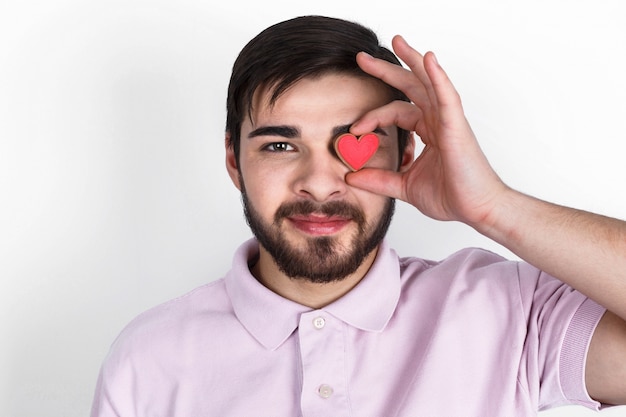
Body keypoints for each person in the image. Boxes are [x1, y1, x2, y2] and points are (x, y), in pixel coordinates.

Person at [90, 15, 626, 416]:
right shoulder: (147, 360)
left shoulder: (505, 310)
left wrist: (493, 207)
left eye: (355, 143)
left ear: (406, 156)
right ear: (234, 161)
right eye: (279, 146)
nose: (319, 183)